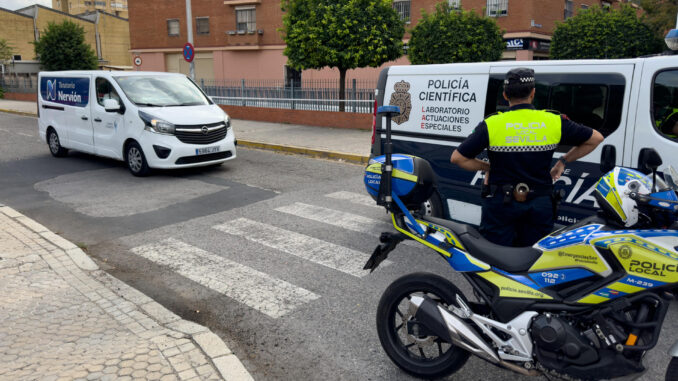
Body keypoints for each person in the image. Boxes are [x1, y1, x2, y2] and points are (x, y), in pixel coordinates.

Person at [451, 68, 604, 247]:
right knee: (535, 257)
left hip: (502, 204)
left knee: (497, 256)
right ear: (533, 93)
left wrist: (490, 168)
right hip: (540, 204)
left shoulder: (492, 124)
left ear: (505, 95)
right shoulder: (552, 121)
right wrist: (563, 161)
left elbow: (457, 158)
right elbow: (596, 139)